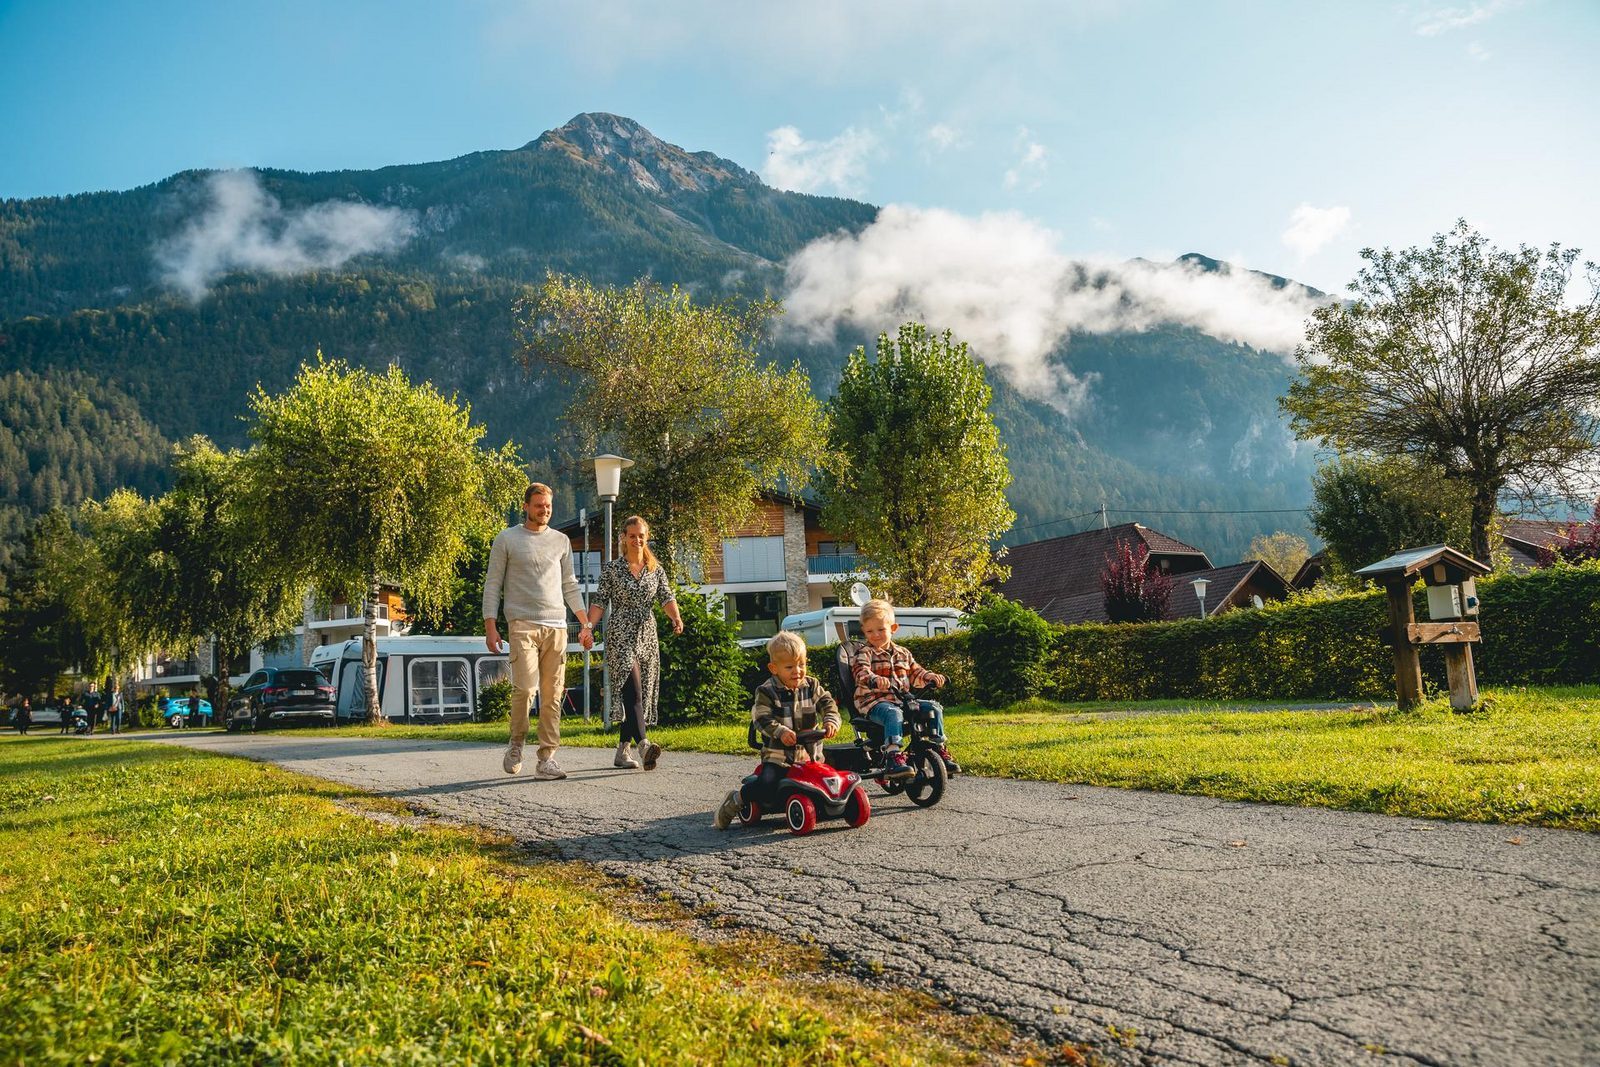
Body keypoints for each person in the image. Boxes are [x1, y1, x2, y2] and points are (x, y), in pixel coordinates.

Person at [483, 483, 594, 781]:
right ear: (526, 506)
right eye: (538, 505)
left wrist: (584, 623)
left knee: (553, 695)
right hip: (522, 625)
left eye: (548, 506)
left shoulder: (560, 541)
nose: (544, 510)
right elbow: (493, 584)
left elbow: (569, 584)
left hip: (557, 627)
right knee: (525, 689)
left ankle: (547, 757)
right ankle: (516, 743)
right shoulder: (507, 539)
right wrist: (490, 626)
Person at [714, 631, 839, 829]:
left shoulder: (812, 685)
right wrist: (780, 731)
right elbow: (761, 718)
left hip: (810, 755)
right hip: (778, 756)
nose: (797, 671)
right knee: (767, 784)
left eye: (802, 664)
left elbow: (827, 703)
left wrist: (831, 720)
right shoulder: (766, 691)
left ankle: (832, 803)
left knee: (833, 774)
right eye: (789, 667)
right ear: (774, 668)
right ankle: (737, 800)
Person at [587, 516, 683, 770]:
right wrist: (588, 628)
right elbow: (599, 601)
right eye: (632, 535)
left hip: (647, 634)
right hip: (620, 633)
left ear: (646, 537)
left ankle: (622, 751)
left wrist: (676, 618)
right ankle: (644, 746)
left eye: (641, 535)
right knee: (634, 689)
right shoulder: (612, 569)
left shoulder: (655, 569)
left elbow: (666, 597)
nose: (637, 539)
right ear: (624, 538)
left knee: (637, 693)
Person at [850, 598, 951, 778]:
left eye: (881, 629)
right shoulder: (864, 653)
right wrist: (874, 679)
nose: (875, 635)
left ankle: (939, 747)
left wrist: (931, 677)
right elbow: (860, 672)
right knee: (893, 714)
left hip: (901, 699)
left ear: (893, 629)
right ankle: (893, 755)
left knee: (934, 707)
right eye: (870, 631)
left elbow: (916, 672)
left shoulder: (903, 653)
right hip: (874, 702)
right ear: (864, 631)